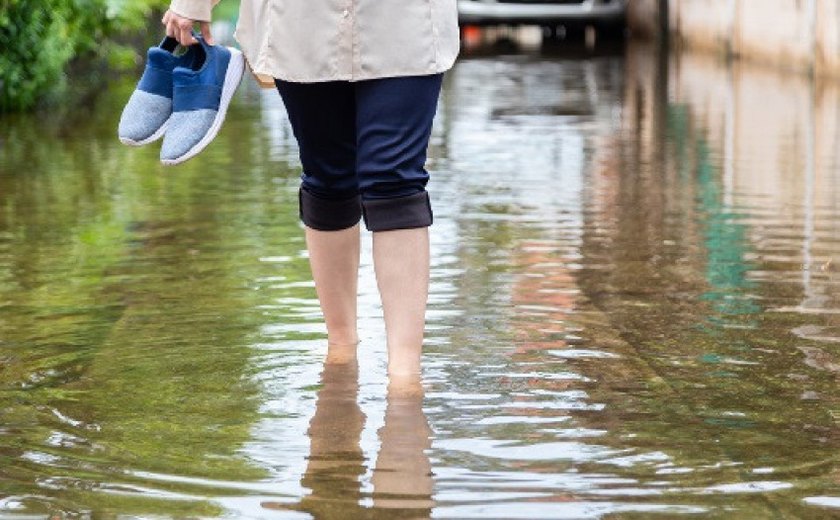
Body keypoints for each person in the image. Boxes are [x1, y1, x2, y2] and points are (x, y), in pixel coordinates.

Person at [161, 1, 460, 378]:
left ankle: (405, 373)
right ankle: (341, 346)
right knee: (327, 176)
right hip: (301, 23)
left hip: (403, 21)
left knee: (395, 180)